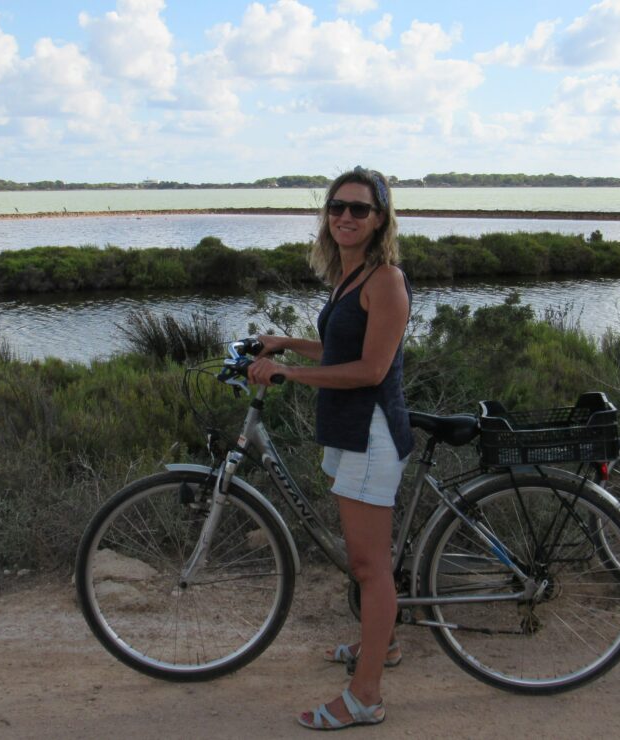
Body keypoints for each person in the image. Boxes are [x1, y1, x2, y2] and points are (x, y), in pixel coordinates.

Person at [247, 166, 412, 730]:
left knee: (370, 567)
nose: (345, 216)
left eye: (359, 209)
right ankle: (382, 647)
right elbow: (345, 344)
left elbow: (371, 368)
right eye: (337, 206)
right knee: (366, 562)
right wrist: (289, 342)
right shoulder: (351, 275)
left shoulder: (385, 279)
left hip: (371, 432)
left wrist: (289, 373)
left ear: (380, 218)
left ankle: (366, 696)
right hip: (348, 429)